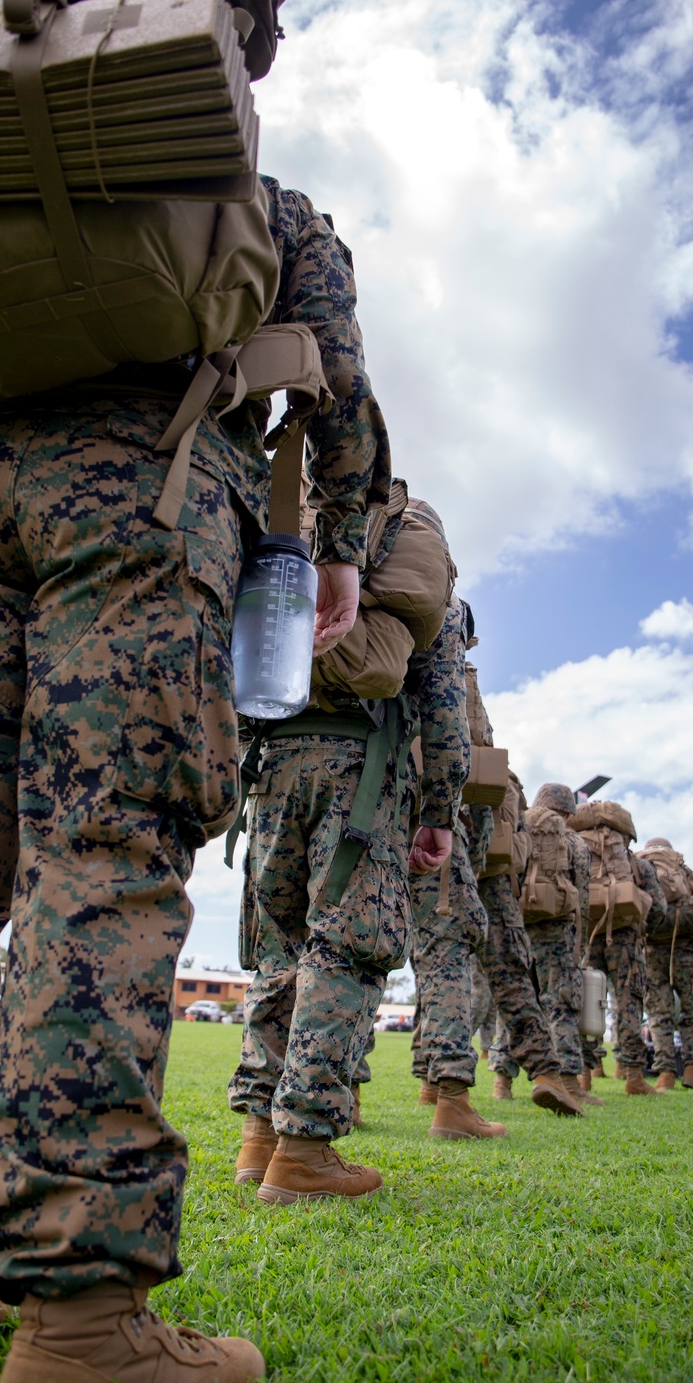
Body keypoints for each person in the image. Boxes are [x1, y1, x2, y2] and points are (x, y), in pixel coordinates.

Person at [0, 168, 388, 1383]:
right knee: (100, 867)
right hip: (143, 479)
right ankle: (82, 1328)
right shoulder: (246, 185)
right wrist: (340, 542)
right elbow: (333, 367)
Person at [228, 480, 445, 1204]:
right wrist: (439, 806)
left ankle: (258, 1138)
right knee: (346, 949)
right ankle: (305, 1150)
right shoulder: (409, 544)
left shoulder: (281, 524)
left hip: (272, 764)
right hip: (360, 767)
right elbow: (438, 696)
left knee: (278, 947)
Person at [413, 629, 586, 1137]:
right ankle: (536, 1075)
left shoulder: (379, 649)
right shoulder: (453, 676)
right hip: (456, 837)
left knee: (359, 951)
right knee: (501, 966)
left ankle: (362, 1091)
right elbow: (474, 755)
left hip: (380, 818)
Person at [487, 784, 601, 1108]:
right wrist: (580, 945)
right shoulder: (574, 842)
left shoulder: (517, 824)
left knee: (517, 1003)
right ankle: (567, 1083)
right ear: (567, 812)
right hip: (556, 931)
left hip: (519, 924)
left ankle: (502, 1082)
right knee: (560, 1003)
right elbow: (582, 900)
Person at [577, 803, 666, 1096]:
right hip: (626, 942)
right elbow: (659, 908)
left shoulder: (578, 855)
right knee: (628, 1004)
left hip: (587, 939)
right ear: (625, 835)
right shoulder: (635, 864)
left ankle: (584, 1075)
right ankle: (633, 1076)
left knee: (586, 1002)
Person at [637, 837, 693, 1091]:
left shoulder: (640, 870)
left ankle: (664, 1073)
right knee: (692, 1011)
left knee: (659, 1013)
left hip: (652, 952)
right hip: (686, 949)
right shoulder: (685, 872)